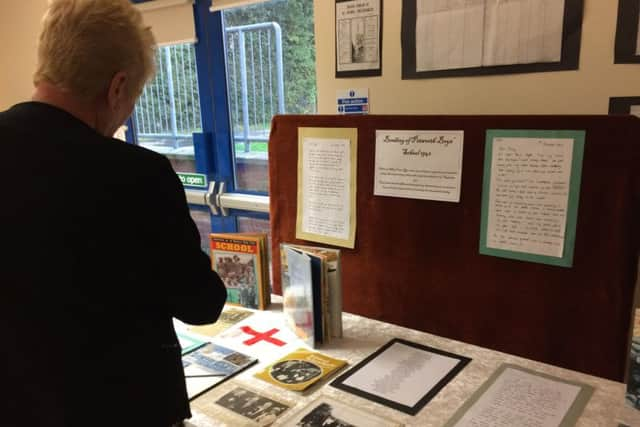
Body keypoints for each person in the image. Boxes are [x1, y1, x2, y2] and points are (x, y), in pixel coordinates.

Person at [0, 1, 227, 426]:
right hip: (124, 406)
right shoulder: (139, 175)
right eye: (135, 97)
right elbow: (202, 304)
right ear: (117, 87)